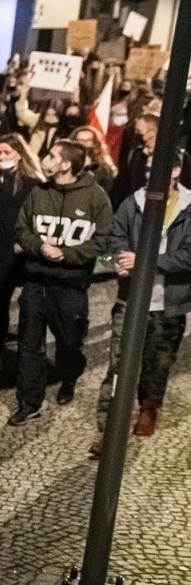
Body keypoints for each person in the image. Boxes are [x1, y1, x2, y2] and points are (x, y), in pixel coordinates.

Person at [90, 151, 191, 455]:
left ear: (175, 170)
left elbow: (188, 255)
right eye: (147, 170)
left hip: (167, 303)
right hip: (130, 300)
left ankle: (150, 406)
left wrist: (145, 261)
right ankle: (108, 428)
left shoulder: (188, 208)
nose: (149, 175)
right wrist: (121, 258)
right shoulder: (133, 203)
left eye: (156, 169)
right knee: (118, 364)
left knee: (156, 363)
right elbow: (115, 235)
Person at [9, 140, 113, 424]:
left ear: (66, 164)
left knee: (69, 344)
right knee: (30, 346)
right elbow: (21, 229)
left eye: (53, 156)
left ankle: (69, 378)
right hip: (35, 283)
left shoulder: (95, 197)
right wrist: (38, 247)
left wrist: (66, 254)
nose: (46, 159)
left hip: (70, 287)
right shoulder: (38, 193)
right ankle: (29, 402)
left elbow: (103, 241)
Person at [0, 133, 42, 376]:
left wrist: (27, 242)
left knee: (14, 303)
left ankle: (10, 351)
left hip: (19, 253)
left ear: (19, 154)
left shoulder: (32, 184)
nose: (2, 157)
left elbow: (38, 218)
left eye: (7, 152)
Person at [71, 125, 118, 195]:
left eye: (89, 140)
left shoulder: (104, 168)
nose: (84, 143)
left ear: (95, 142)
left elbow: (107, 192)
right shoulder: (66, 165)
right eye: (81, 140)